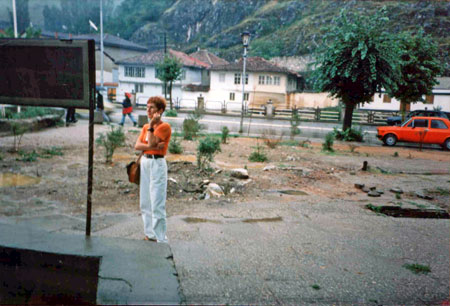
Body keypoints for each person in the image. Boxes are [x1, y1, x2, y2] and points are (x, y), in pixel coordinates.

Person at [134, 96, 171, 243]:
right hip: (145, 162)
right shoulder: (145, 128)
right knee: (145, 201)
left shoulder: (164, 127)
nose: (148, 110)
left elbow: (149, 141)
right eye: (147, 107)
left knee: (157, 202)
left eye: (152, 108)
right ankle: (149, 234)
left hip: (157, 164)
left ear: (160, 111)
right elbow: (138, 146)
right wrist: (152, 145)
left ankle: (160, 238)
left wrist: (151, 125)